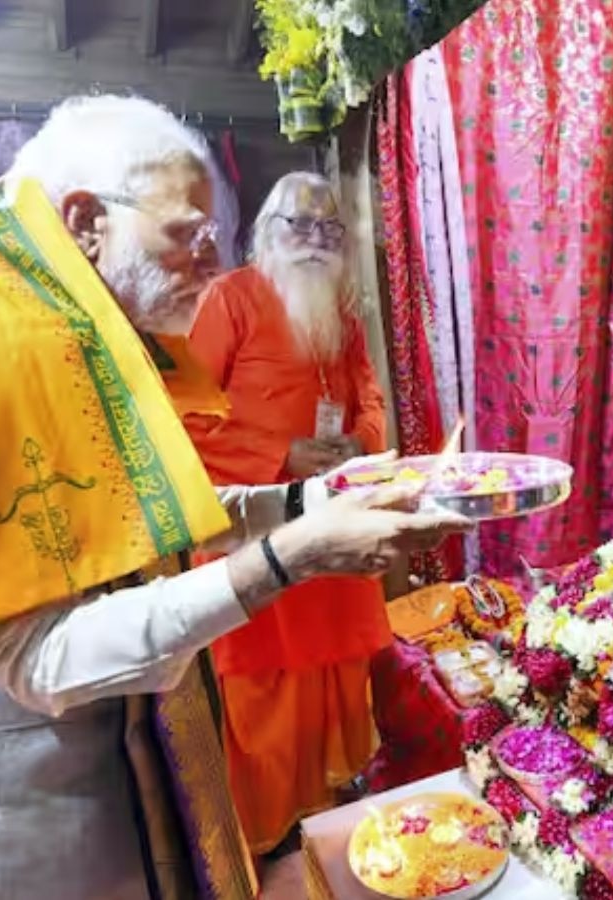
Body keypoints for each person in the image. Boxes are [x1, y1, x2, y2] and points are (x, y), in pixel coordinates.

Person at [0, 95, 469, 900]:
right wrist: (288, 557)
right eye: (191, 237)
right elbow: (36, 657)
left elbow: (146, 511)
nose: (216, 266)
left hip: (84, 765)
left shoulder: (65, 323)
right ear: (85, 221)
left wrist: (311, 499)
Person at [182, 172, 392, 855]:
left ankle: (329, 803)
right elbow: (184, 418)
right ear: (267, 231)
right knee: (265, 689)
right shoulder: (229, 298)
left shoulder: (342, 308)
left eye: (330, 228)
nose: (315, 238)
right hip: (256, 528)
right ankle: (264, 834)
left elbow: (368, 394)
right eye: (299, 223)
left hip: (330, 521)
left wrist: (360, 440)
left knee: (335, 675)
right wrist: (280, 452)